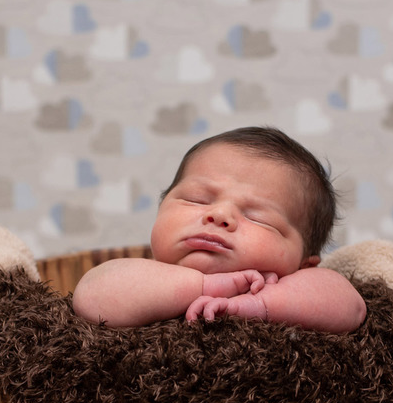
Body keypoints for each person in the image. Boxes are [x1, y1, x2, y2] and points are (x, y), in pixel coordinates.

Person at [71, 127, 366, 333]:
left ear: (304, 262)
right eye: (196, 199)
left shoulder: (291, 286)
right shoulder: (144, 274)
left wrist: (258, 304)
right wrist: (206, 286)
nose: (219, 215)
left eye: (259, 217)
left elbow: (351, 308)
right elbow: (92, 298)